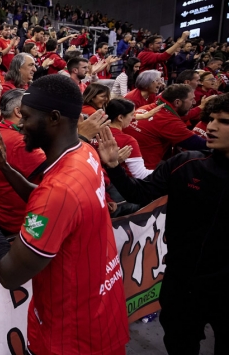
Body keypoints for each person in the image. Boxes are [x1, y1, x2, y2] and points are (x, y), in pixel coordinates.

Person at [0, 74, 129, 355]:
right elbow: (55, 208)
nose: (20, 125)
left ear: (54, 118)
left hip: (70, 336)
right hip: (102, 313)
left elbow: (8, 273)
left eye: (27, 117)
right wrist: (6, 168)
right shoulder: (85, 153)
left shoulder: (58, 191)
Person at [98, 94, 229, 355]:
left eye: (223, 121)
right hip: (182, 282)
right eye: (210, 119)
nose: (211, 127)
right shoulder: (187, 163)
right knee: (180, 343)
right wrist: (114, 168)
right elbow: (140, 193)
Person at [0, 89, 46, 234]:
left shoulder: (1, 131)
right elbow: (58, 172)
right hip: (24, 220)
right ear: (19, 112)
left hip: (3, 212)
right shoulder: (18, 141)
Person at [123, 84, 207, 169]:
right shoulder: (169, 122)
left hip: (123, 161)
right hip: (142, 171)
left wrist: (200, 108)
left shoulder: (149, 108)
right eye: (192, 99)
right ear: (177, 102)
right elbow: (200, 144)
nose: (194, 102)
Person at [105, 99, 154, 179]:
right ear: (120, 117)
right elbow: (140, 174)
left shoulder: (94, 131)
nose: (133, 118)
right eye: (131, 115)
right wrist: (166, 172)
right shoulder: (127, 141)